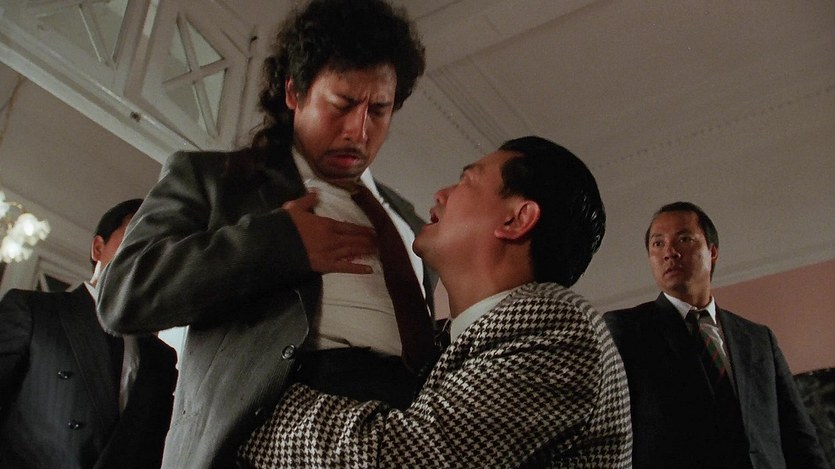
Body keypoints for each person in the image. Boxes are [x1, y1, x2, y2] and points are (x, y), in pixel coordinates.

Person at [97, 1, 437, 467]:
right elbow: (123, 294)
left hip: (399, 432)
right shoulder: (215, 179)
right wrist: (276, 243)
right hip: (268, 433)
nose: (359, 131)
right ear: (294, 92)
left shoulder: (408, 220)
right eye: (342, 104)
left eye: (378, 110)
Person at [237, 136, 633, 468]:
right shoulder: (448, 343)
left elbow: (399, 460)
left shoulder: (560, 327)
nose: (441, 194)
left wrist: (247, 399)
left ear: (516, 220)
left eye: (466, 181)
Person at [604, 201, 830, 469]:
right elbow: (610, 434)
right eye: (658, 244)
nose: (669, 252)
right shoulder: (627, 330)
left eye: (683, 239)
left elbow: (798, 436)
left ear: (712, 252)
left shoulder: (758, 340)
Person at [0, 199, 178, 469]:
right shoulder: (34, 310)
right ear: (98, 248)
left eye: (160, 245)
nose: (148, 252)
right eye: (137, 235)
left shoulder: (162, 359)